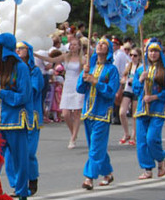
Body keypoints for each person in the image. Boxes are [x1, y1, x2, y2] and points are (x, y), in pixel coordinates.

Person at [0, 33, 32, 200]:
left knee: (20, 160)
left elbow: (25, 95)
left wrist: (2, 93)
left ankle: (22, 195)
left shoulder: (21, 68)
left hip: (16, 121)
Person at [78, 37, 120, 190]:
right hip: (88, 111)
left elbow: (111, 91)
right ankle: (107, 172)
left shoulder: (112, 70)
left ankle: (89, 177)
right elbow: (80, 89)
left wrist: (96, 82)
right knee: (95, 146)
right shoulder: (90, 67)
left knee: (96, 146)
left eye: (104, 44)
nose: (100, 45)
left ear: (108, 49)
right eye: (99, 43)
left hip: (102, 112)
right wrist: (85, 77)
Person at [133, 39, 165, 179]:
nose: (153, 54)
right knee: (141, 141)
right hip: (142, 109)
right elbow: (135, 89)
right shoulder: (141, 70)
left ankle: (161, 158)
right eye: (150, 51)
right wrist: (140, 80)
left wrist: (155, 97)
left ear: (160, 53)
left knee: (151, 138)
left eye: (156, 51)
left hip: (157, 109)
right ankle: (147, 169)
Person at [37, 36, 85, 148]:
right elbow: (51, 60)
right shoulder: (65, 56)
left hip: (78, 85)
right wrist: (36, 55)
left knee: (77, 113)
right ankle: (73, 132)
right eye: (71, 44)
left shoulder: (83, 59)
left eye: (75, 45)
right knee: (65, 114)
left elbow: (85, 72)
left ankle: (73, 138)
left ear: (79, 47)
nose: (72, 46)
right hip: (67, 85)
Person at [16, 41, 43, 200]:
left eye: (21, 48)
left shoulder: (35, 71)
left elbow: (32, 90)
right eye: (16, 48)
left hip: (32, 115)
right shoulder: (13, 71)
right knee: (18, 153)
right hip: (17, 117)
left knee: (29, 152)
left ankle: (32, 178)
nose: (18, 50)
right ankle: (20, 184)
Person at [118, 47, 141, 146]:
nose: (132, 57)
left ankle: (134, 135)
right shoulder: (128, 65)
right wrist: (124, 80)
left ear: (139, 57)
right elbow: (124, 77)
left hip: (136, 90)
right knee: (122, 113)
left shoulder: (141, 67)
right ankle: (126, 133)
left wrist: (135, 81)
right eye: (131, 55)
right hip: (127, 89)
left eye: (135, 55)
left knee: (134, 114)